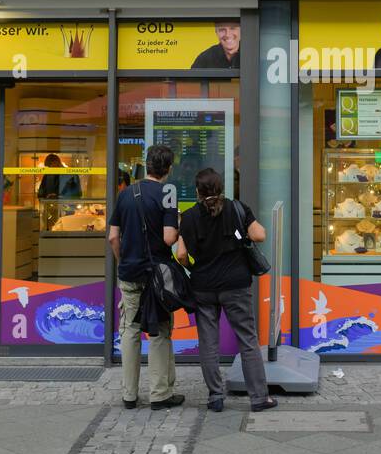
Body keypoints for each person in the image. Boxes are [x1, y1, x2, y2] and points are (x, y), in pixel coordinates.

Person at [175, 168, 276, 413]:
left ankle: (215, 397)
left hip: (203, 287)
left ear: (197, 192)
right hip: (236, 285)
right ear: (221, 188)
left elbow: (180, 254)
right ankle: (259, 398)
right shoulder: (237, 208)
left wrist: (192, 266)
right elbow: (260, 235)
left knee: (208, 342)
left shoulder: (188, 218)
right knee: (248, 340)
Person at [108, 144, 183, 410]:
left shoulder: (126, 194)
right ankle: (160, 394)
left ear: (147, 165)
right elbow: (168, 237)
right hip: (157, 276)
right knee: (160, 331)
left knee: (130, 331)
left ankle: (129, 395)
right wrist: (179, 225)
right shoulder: (168, 193)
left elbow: (113, 237)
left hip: (130, 273)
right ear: (168, 169)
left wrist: (123, 261)